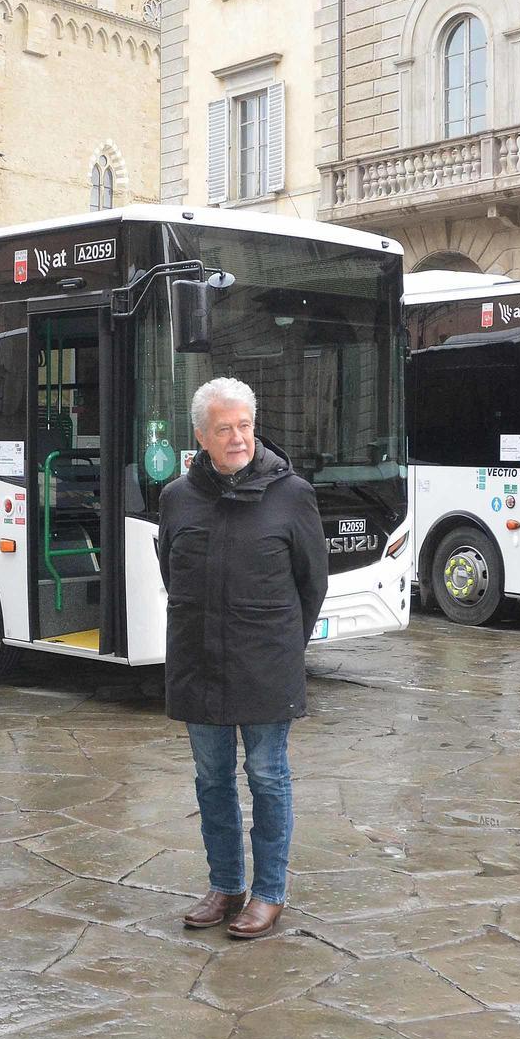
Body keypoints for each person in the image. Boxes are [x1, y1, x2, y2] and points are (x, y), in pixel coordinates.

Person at [157, 376, 328, 940]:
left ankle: (269, 893)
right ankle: (225, 885)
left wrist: (280, 646)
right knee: (211, 779)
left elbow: (312, 585)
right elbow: (172, 576)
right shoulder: (176, 499)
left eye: (245, 426)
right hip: (197, 660)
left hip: (265, 664)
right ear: (202, 437)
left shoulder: (292, 495)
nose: (237, 439)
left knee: (267, 776)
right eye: (224, 429)